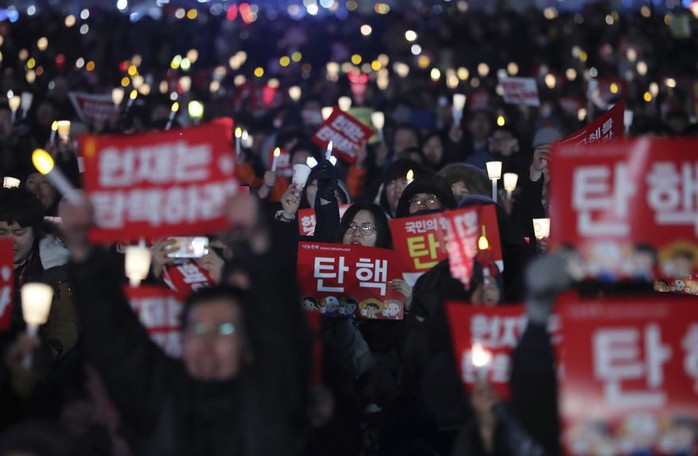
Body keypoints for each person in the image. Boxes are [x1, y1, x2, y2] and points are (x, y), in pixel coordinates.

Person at [58, 196, 307, 455]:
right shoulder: (159, 398)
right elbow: (115, 340)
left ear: (247, 344)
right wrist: (84, 254)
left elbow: (281, 329)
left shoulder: (272, 400)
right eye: (198, 330)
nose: (207, 344)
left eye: (224, 330)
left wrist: (261, 241)